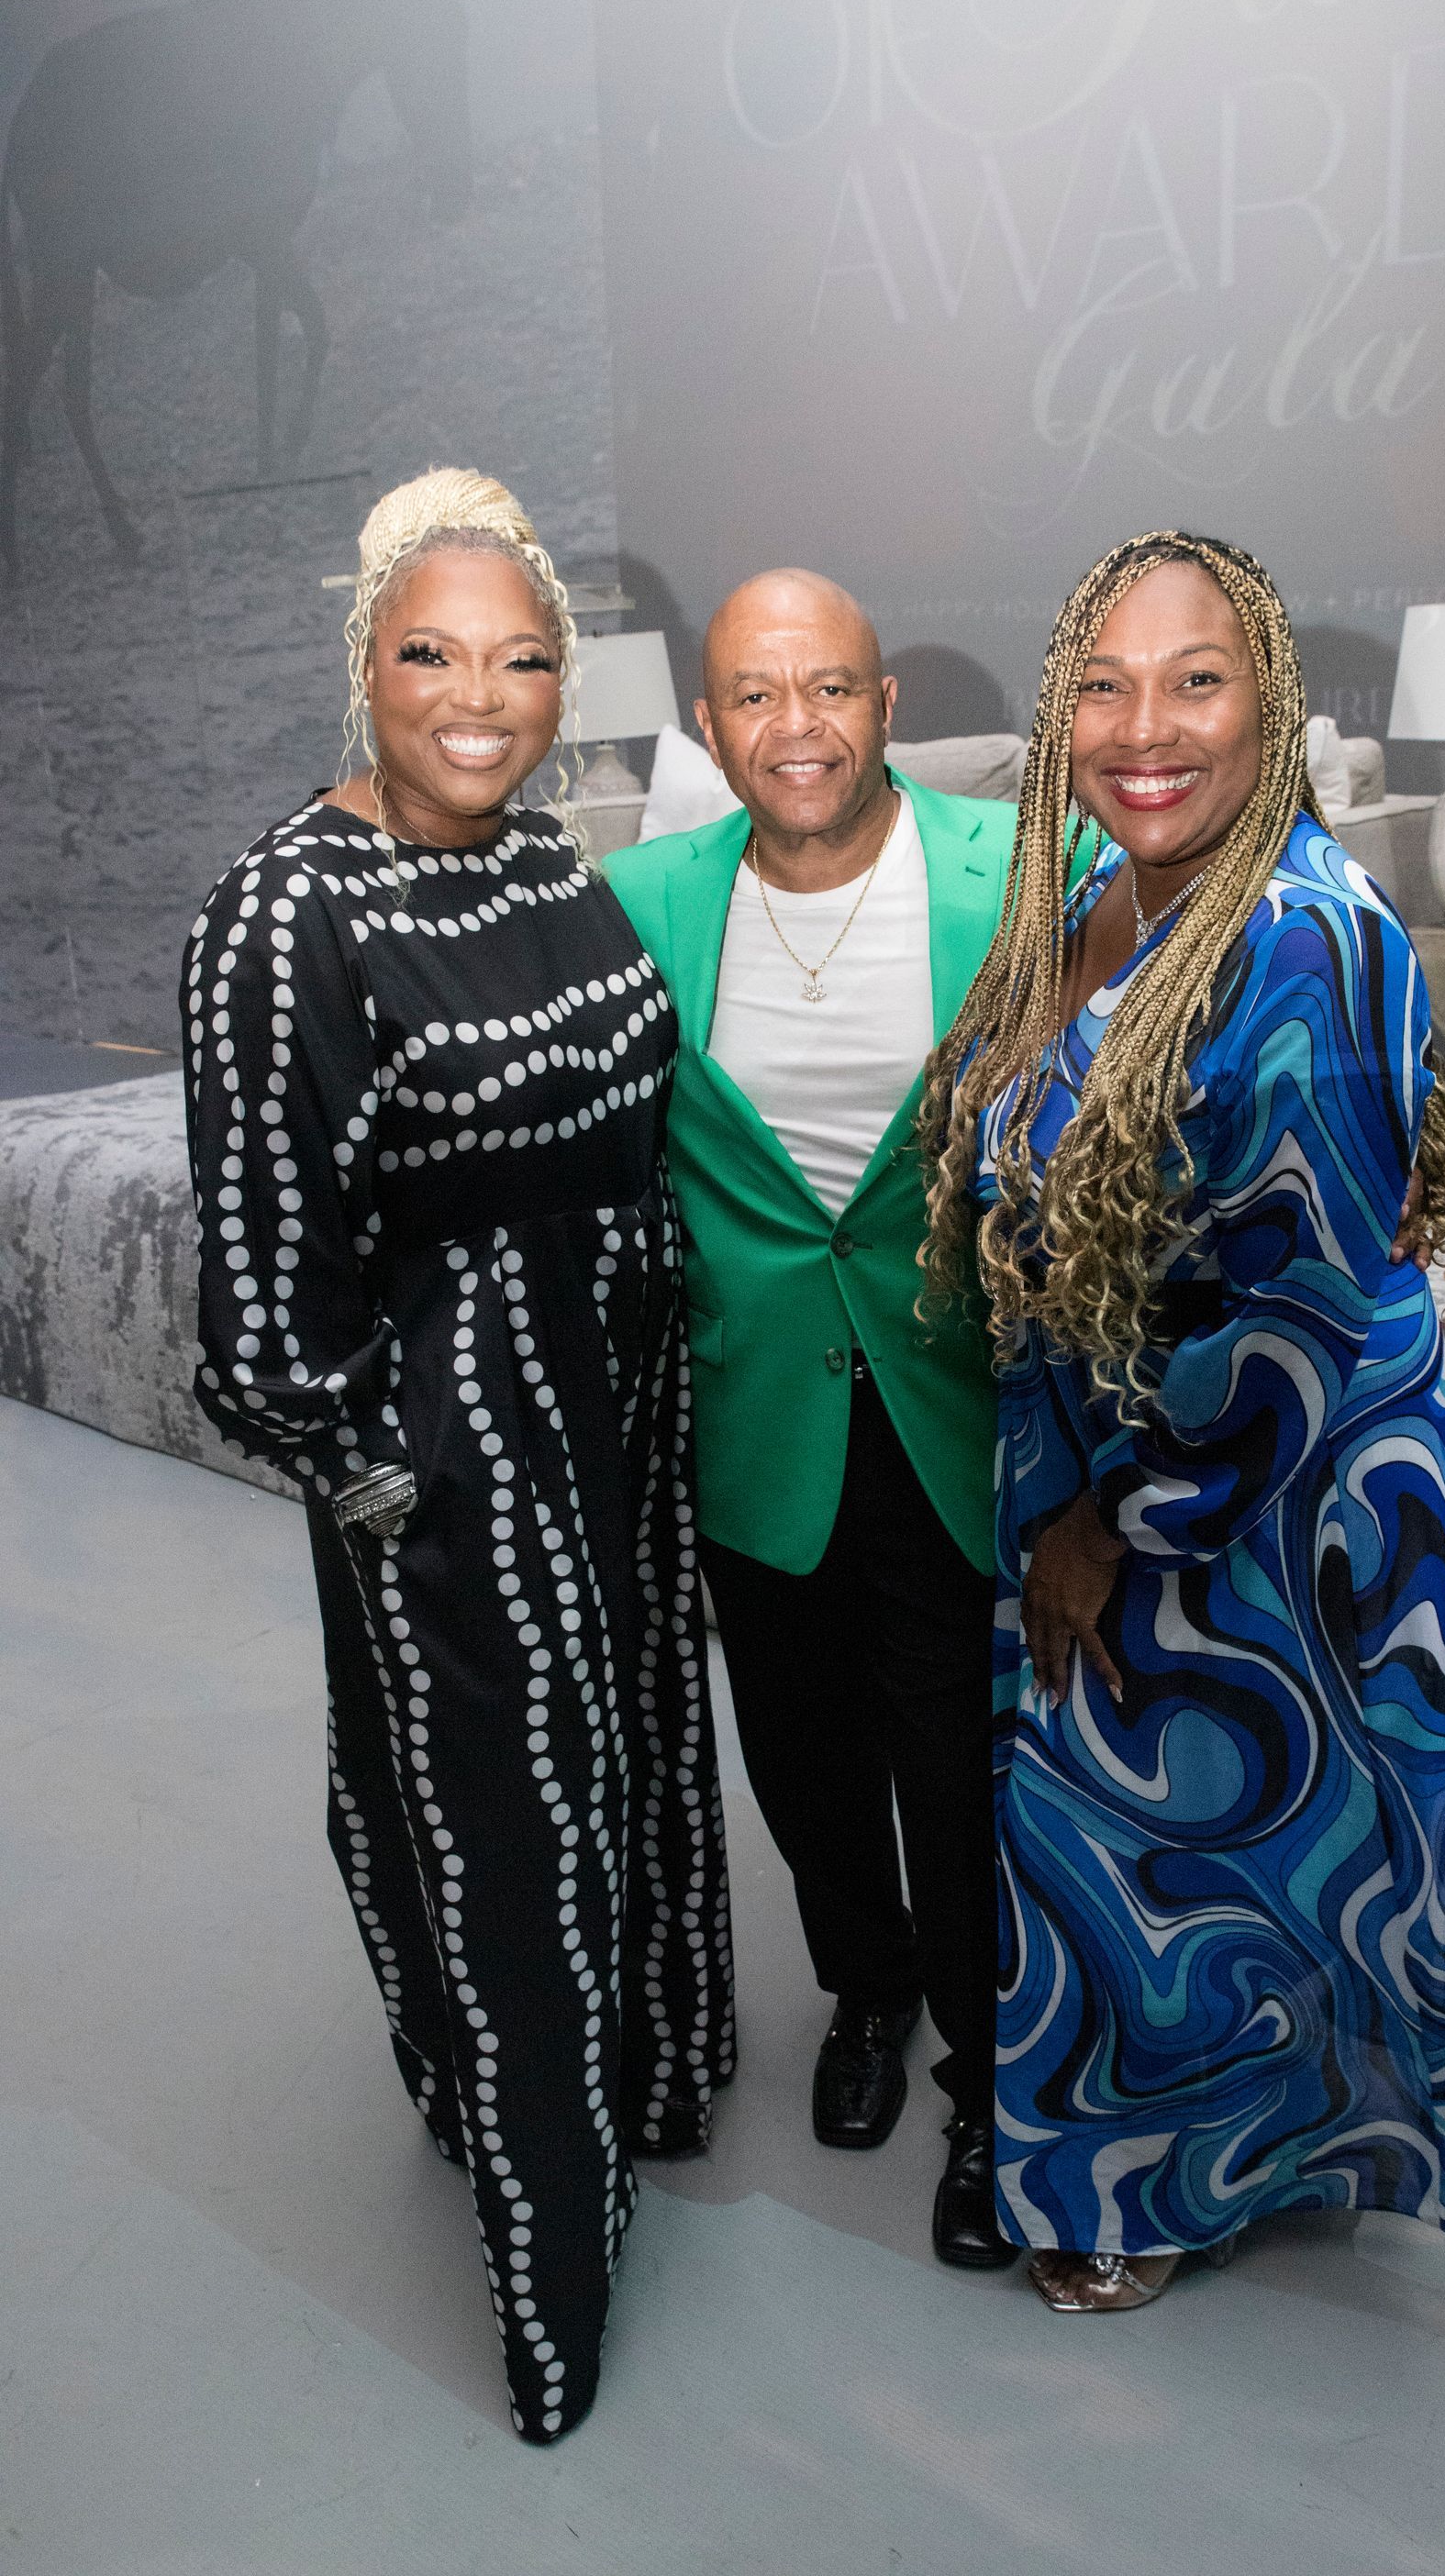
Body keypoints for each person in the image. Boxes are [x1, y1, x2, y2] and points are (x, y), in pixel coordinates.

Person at [920, 529, 1445, 2313]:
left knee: (1192, 1855)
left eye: (1195, 679)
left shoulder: (1302, 939)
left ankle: (1149, 2194)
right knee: (1200, 1851)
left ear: (1268, 698)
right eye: (1105, 683)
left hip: (1248, 1515)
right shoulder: (1109, 890)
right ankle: (1239, 2140)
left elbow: (1299, 1332)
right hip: (1125, 1461)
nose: (1147, 725)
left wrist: (1114, 1528)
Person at [180, 467, 734, 2441]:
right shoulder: (283, 913)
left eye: (517, 659)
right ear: (366, 666)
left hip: (611, 1411)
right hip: (456, 1448)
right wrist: (378, 1473)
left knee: (629, 1767)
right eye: (431, 653)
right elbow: (256, 1286)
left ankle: (648, 2083)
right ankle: (552, 2285)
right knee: (499, 1826)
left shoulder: (544, 864)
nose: (477, 697)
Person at [603, 571, 1019, 2268]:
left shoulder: (1019, 873)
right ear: (710, 726)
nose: (800, 728)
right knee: (802, 1743)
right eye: (758, 697)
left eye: (832, 690)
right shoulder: (636, 900)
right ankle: (868, 1987)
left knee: (963, 1757)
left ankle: (995, 2089)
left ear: (886, 705)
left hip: (955, 1398)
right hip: (757, 1409)